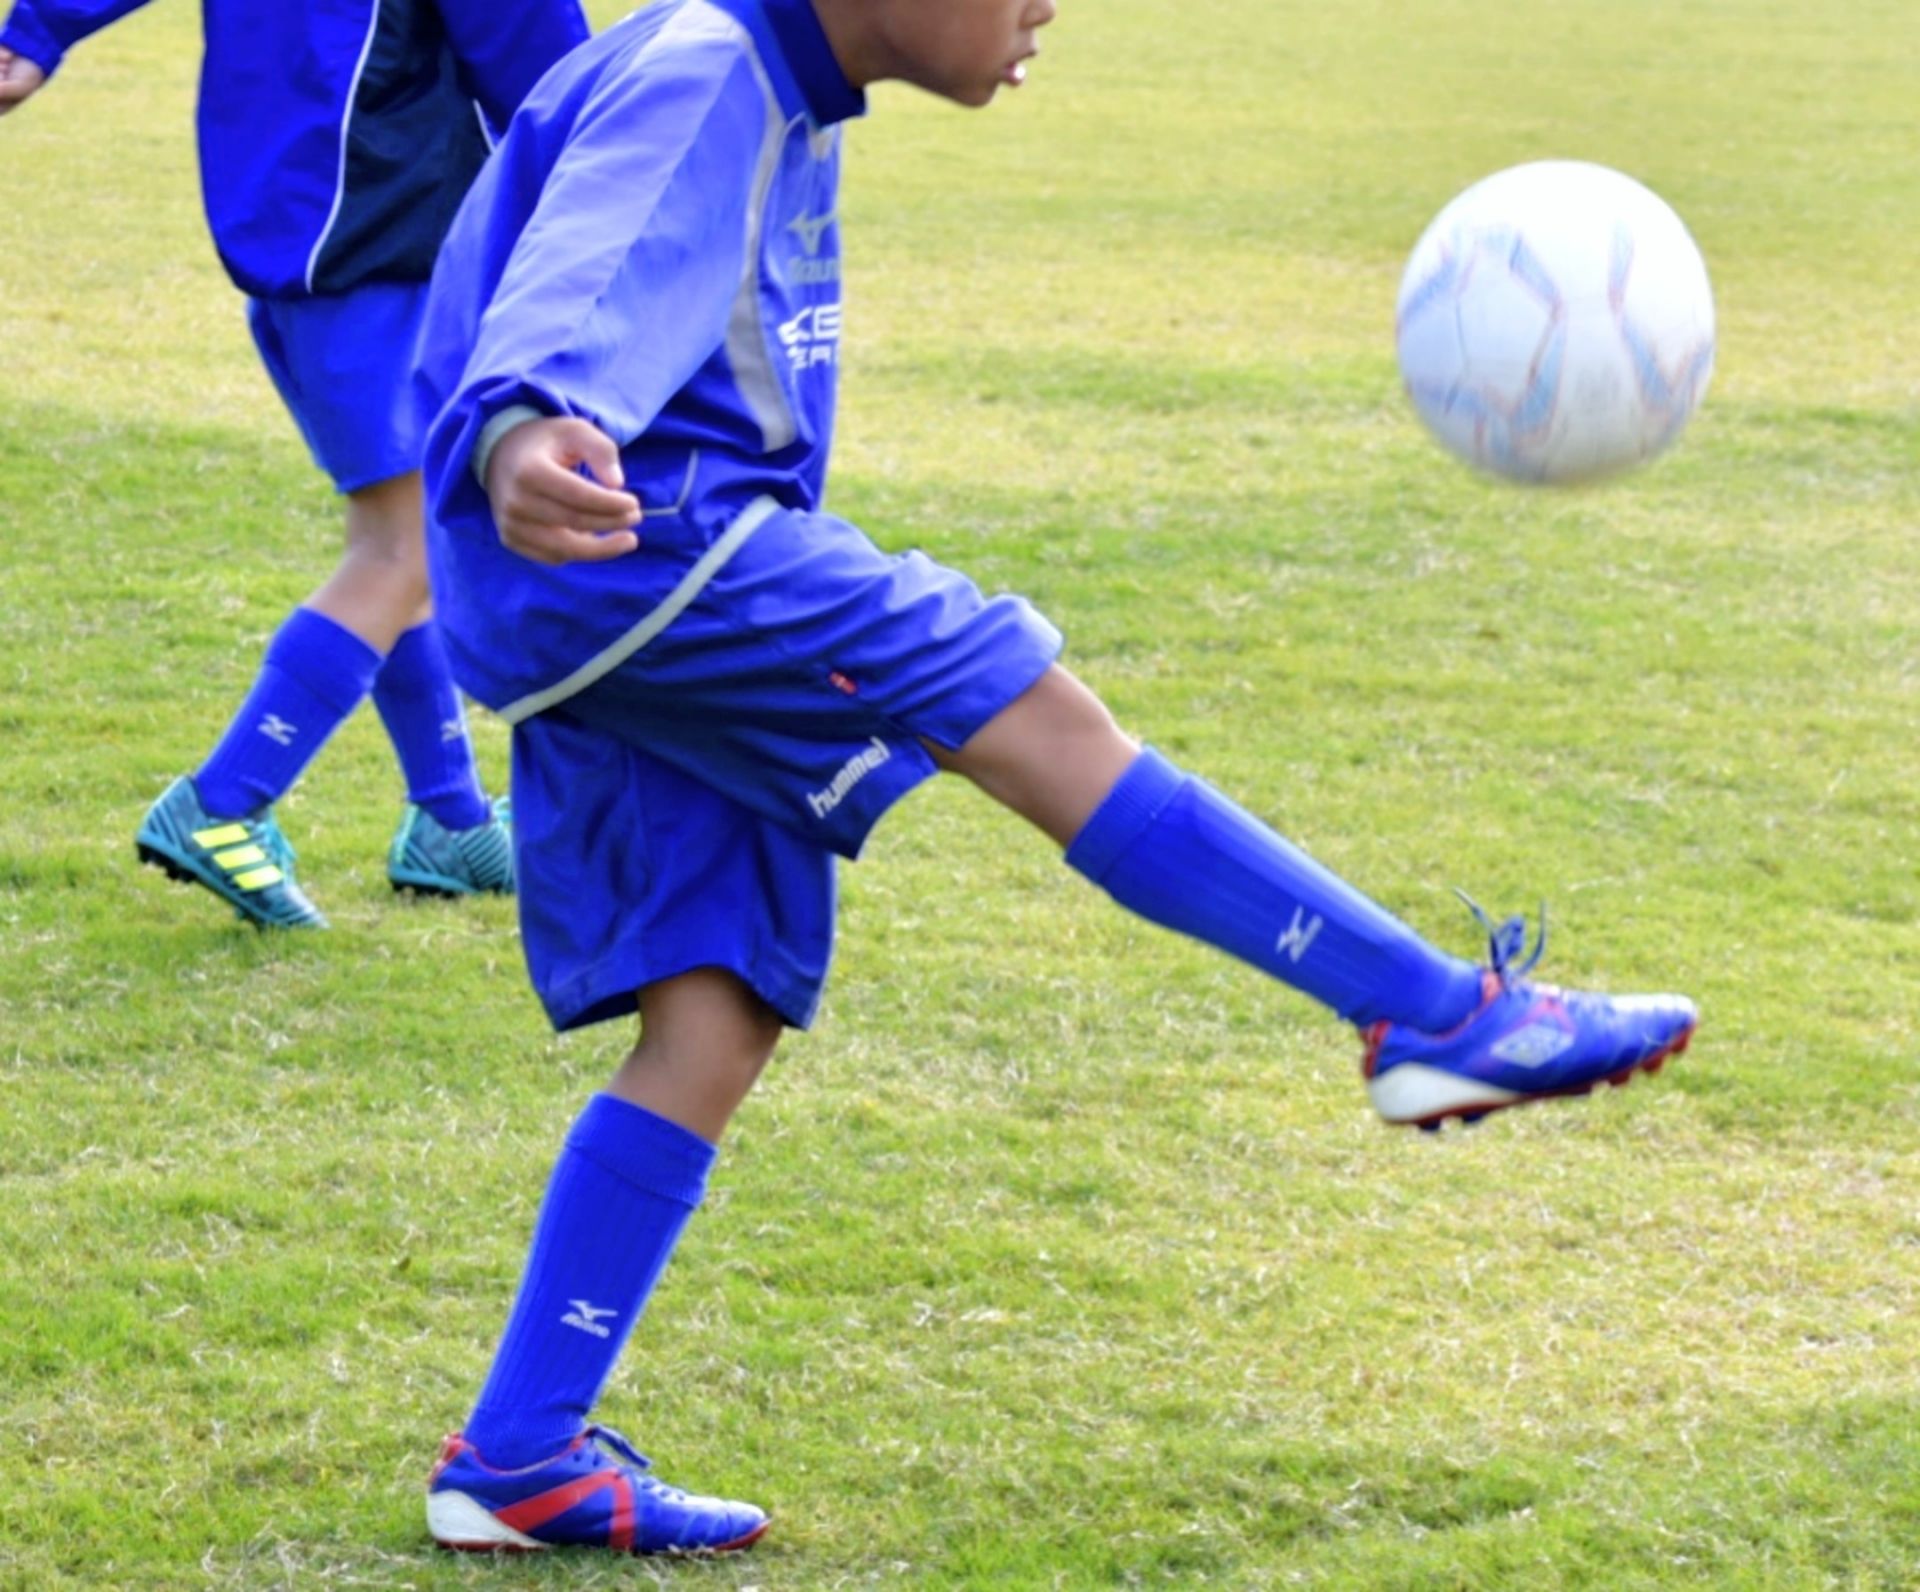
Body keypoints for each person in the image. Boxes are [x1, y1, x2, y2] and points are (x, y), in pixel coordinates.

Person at [409, 0, 1701, 1557]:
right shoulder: (706, 69)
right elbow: (577, 289)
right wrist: (524, 432)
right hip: (655, 552)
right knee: (1024, 705)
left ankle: (522, 1453)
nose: (1044, 12)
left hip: (599, 593)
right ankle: (1435, 1016)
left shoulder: (774, 87)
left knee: (714, 1013)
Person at [0, 0, 591, 927]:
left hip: (294, 246)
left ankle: (449, 819)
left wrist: (38, 34)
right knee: (405, 553)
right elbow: (538, 56)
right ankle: (225, 800)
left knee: (401, 542)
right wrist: (607, 154)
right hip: (379, 243)